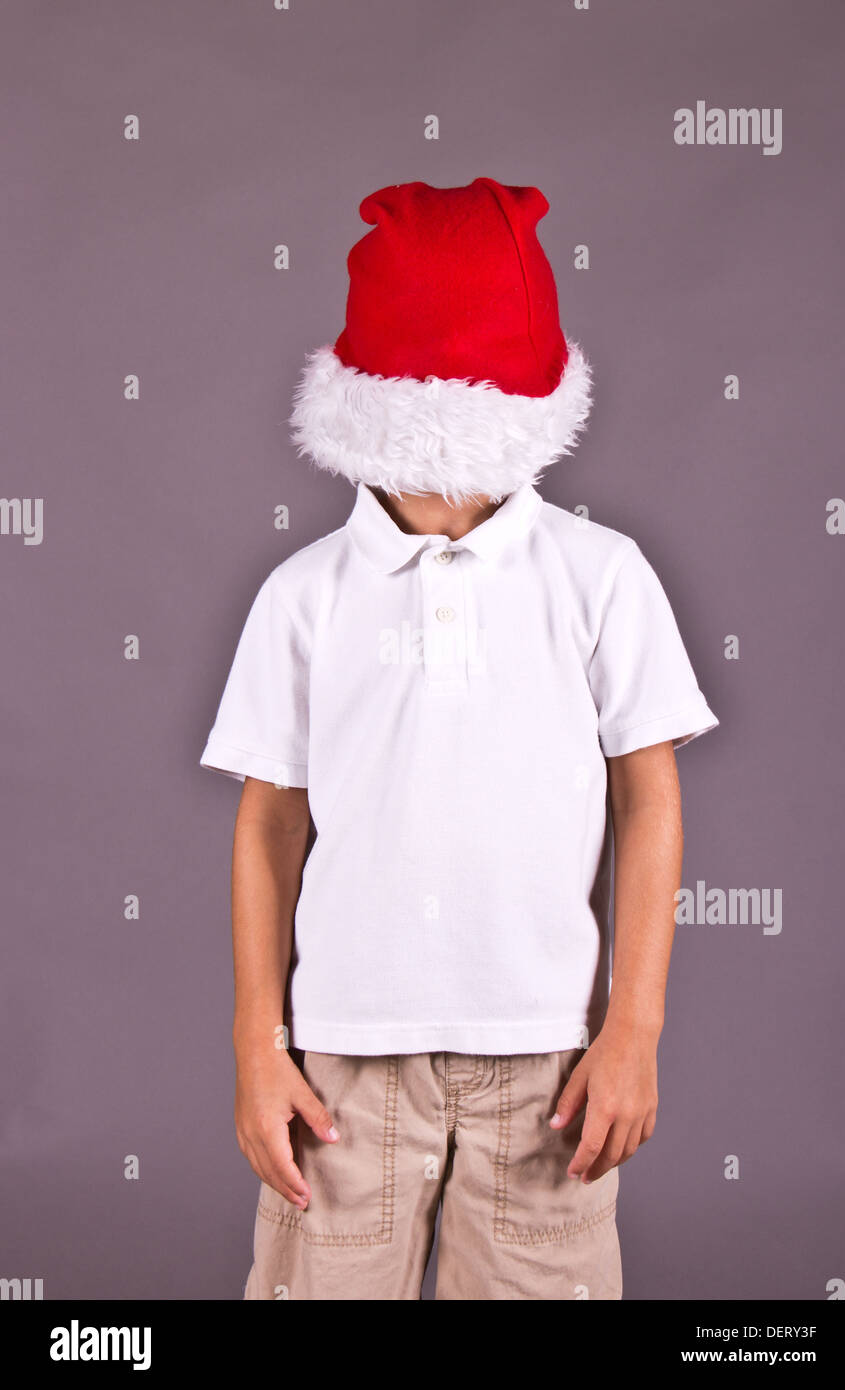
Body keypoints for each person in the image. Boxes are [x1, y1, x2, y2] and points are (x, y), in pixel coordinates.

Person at [199, 177, 719, 1301]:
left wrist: (634, 1021)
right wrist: (258, 1039)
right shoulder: (304, 596)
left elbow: (648, 797)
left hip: (545, 1063)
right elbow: (268, 820)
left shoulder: (599, 577)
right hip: (340, 1061)